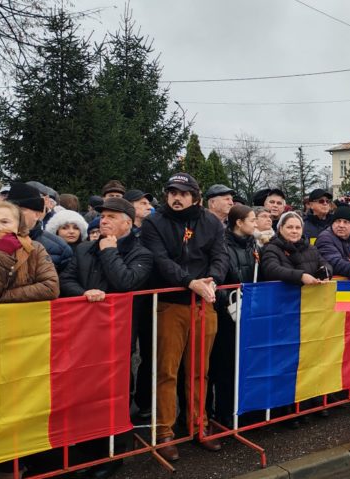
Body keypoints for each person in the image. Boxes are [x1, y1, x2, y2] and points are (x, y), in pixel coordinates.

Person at [58, 197, 153, 479]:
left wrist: (109, 251)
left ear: (127, 222)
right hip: (83, 331)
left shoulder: (141, 253)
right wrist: (84, 295)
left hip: (118, 333)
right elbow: (66, 279)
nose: (104, 220)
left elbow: (126, 282)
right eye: (102, 216)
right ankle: (86, 452)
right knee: (84, 389)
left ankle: (113, 453)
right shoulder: (84, 249)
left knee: (115, 391)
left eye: (112, 216)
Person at [141, 173, 228, 460]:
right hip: (170, 303)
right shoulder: (155, 222)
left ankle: (197, 424)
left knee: (199, 370)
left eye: (183, 193)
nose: (176, 198)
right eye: (171, 192)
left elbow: (220, 256)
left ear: (196, 197)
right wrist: (190, 282)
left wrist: (212, 280)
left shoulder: (211, 222)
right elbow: (159, 259)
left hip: (204, 303)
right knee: (167, 370)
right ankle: (164, 431)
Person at [209, 204, 260, 426]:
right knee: (225, 366)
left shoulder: (254, 245)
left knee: (247, 362)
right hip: (227, 314)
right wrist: (231, 299)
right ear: (239, 223)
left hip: (250, 312)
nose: (256, 223)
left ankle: (245, 409)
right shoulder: (222, 246)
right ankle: (224, 412)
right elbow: (217, 281)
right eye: (252, 220)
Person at [0, 200, 59, 305]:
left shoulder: (35, 249)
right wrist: (2, 253)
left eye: (4, 222)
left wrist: (1, 297)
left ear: (18, 225)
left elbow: (50, 288)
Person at [5, 182, 72, 272]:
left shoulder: (60, 248)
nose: (14, 214)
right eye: (11, 210)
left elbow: (63, 283)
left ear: (37, 214)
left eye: (21, 210)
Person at [261, 211, 332, 284]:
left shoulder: (311, 248)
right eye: (290, 227)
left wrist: (326, 272)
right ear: (281, 229)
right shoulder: (271, 248)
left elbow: (325, 264)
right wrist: (301, 276)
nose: (294, 231)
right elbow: (271, 270)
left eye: (298, 228)